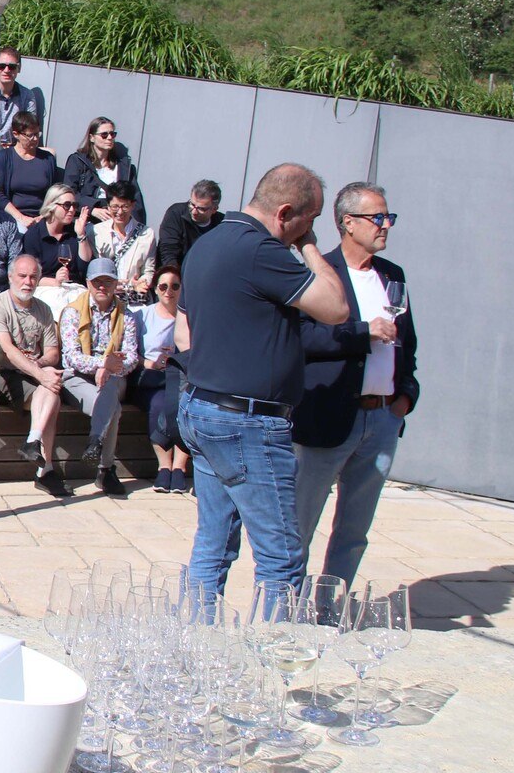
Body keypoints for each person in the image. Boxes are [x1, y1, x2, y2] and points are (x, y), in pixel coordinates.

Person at [178, 162, 350, 597]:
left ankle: (195, 646)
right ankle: (275, 662)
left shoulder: (210, 241)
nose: (307, 232)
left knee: (212, 547)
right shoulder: (260, 251)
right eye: (309, 222)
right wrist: (310, 249)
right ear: (286, 212)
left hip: (203, 408)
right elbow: (335, 308)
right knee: (281, 560)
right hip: (246, 423)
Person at [293, 183, 419, 590]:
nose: (386, 226)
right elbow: (304, 340)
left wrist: (404, 398)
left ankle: (329, 609)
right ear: (347, 223)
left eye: (389, 218)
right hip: (327, 418)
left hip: (382, 420)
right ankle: (284, 610)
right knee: (299, 525)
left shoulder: (392, 276)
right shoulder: (318, 273)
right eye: (377, 218)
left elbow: (408, 346)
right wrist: (362, 333)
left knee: (354, 530)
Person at [0, 254, 68, 497]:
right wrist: (40, 373)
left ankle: (34, 443)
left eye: (33, 277)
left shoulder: (43, 309)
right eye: (22, 276)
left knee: (51, 388)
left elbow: (53, 353)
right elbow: (8, 350)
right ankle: (46, 469)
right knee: (50, 388)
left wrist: (40, 363)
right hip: (3, 373)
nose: (28, 282)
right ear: (11, 277)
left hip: (32, 373)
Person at [59, 257, 138, 497]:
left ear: (116, 284)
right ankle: (105, 468)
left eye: (107, 281)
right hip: (78, 378)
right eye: (97, 282)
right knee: (113, 407)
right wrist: (103, 364)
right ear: (88, 284)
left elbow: (132, 357)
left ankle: (95, 443)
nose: (102, 287)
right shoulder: (72, 312)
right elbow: (71, 357)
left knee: (111, 387)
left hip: (114, 379)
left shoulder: (127, 315)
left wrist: (110, 369)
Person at [133, 264, 191, 493]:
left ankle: (179, 467)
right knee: (160, 405)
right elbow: (130, 351)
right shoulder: (142, 315)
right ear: (156, 289)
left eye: (175, 286)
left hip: (183, 377)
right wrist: (149, 362)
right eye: (163, 286)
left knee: (184, 404)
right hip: (151, 378)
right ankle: (164, 467)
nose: (169, 291)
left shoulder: (190, 317)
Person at [63, 116, 142, 225]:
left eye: (112, 134)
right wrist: (92, 209)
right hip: (87, 219)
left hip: (117, 219)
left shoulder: (124, 167)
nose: (109, 138)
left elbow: (135, 198)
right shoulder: (78, 161)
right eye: (104, 135)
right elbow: (69, 192)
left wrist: (135, 227)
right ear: (91, 137)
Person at [87, 182, 156, 305]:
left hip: (134, 298)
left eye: (124, 207)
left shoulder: (147, 234)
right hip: (105, 296)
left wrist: (140, 284)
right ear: (108, 206)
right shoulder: (96, 232)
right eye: (115, 207)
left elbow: (148, 271)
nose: (119, 212)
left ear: (133, 205)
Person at [0, 112, 62, 229]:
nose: (35, 139)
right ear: (16, 134)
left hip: (43, 217)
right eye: (30, 135)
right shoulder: (3, 158)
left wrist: (43, 216)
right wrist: (21, 218)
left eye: (37, 134)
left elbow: (55, 192)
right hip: (12, 217)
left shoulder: (47, 158)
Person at [22, 183, 93, 291]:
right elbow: (30, 275)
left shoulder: (74, 231)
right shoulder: (34, 235)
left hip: (74, 288)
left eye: (75, 205)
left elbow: (85, 268)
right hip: (45, 289)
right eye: (67, 205)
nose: (72, 210)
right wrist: (55, 281)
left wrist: (81, 234)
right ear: (52, 206)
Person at [156, 179, 223, 272]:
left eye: (201, 209)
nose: (194, 211)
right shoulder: (176, 213)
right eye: (192, 204)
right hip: (176, 275)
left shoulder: (222, 224)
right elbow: (168, 250)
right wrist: (174, 278)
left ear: (214, 209)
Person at [0, 48, 45, 150]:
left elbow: (30, 128)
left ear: (18, 69)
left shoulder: (27, 96)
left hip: (15, 148)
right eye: (1, 66)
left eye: (12, 67)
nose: (6, 70)